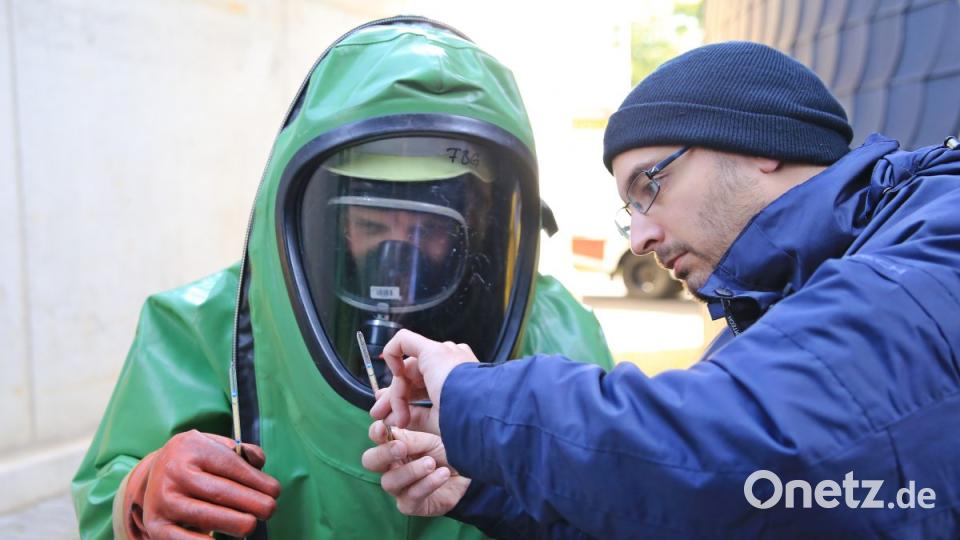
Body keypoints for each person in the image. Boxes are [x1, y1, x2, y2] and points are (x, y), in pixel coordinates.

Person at [363, 41, 960, 539]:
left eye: (648, 184)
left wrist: (479, 399)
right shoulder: (770, 312)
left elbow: (738, 448)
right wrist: (487, 488)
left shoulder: (935, 239)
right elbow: (708, 509)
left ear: (759, 141)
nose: (641, 237)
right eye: (629, 211)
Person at [70, 16, 615, 540]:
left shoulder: (556, 330)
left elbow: (615, 495)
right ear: (327, 217)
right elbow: (107, 495)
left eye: (430, 226)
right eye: (372, 222)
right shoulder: (204, 323)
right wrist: (142, 492)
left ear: (477, 221)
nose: (398, 255)